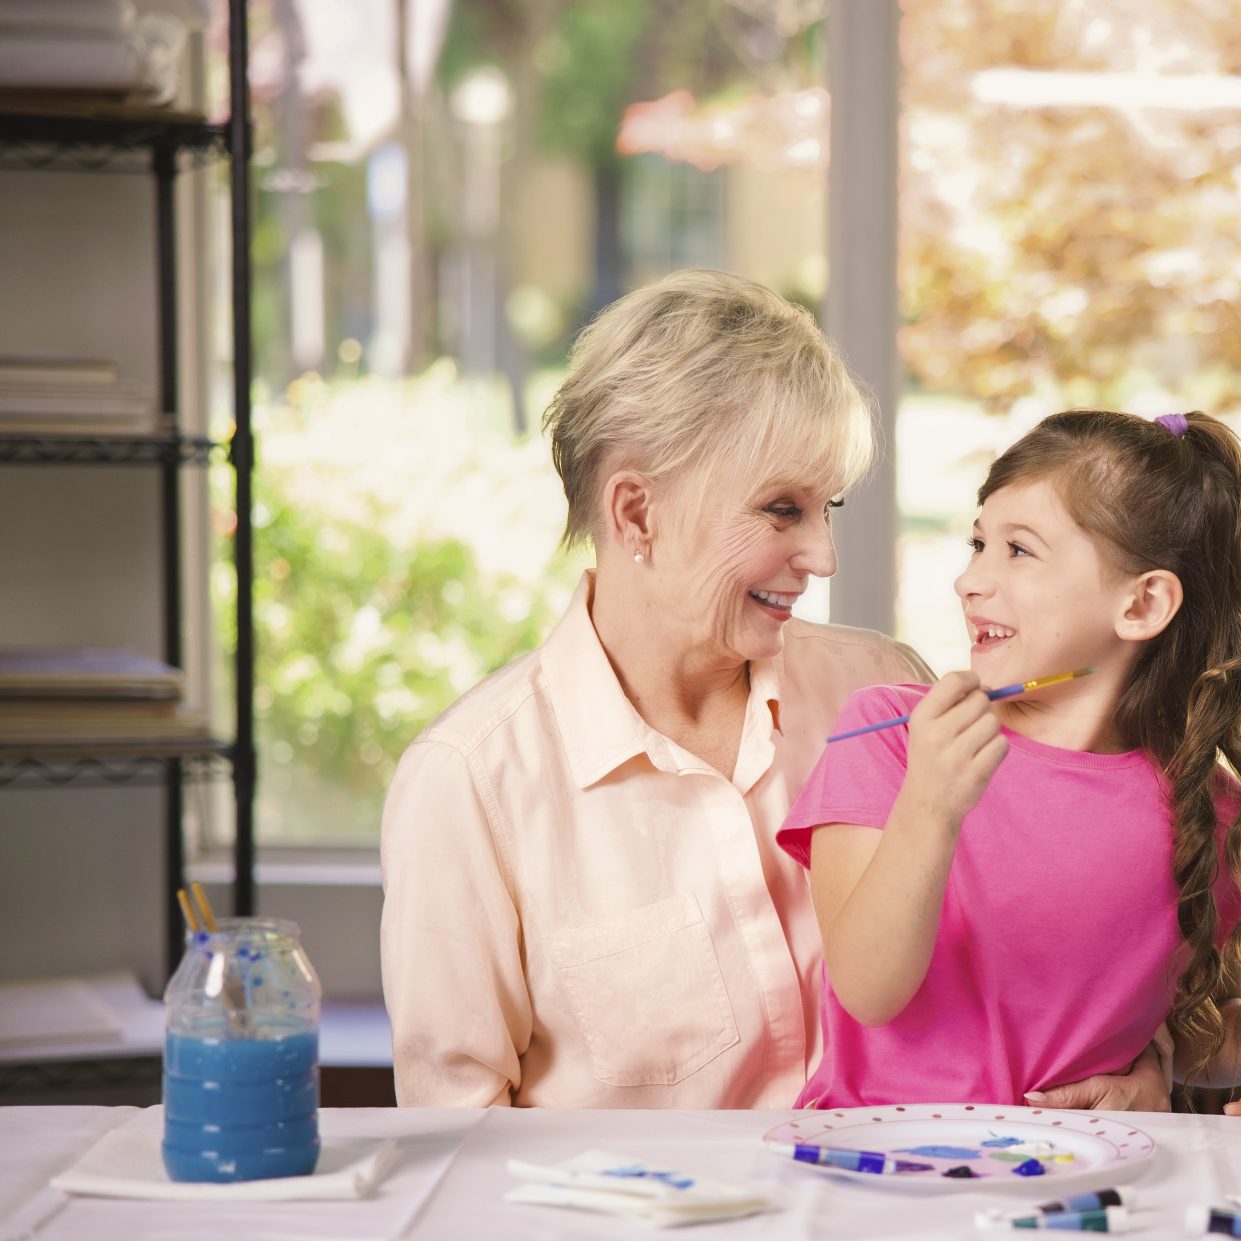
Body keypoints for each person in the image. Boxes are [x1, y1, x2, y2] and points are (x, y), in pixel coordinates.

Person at [380, 272, 1171, 1110]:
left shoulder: (888, 690)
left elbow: (1048, 937)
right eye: (781, 511)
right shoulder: (469, 783)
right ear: (637, 514)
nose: (824, 556)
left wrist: (1139, 1064)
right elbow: (456, 1150)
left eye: (825, 507)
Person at [781, 409, 1241, 1113]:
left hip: (1073, 1186)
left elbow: (1184, 1034)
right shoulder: (893, 736)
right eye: (978, 543)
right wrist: (930, 808)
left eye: (1018, 551)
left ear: (1143, 603)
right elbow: (869, 991)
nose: (970, 581)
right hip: (878, 1175)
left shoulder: (1203, 805)